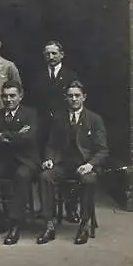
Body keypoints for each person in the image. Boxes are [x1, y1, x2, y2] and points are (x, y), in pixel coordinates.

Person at [37, 80, 108, 245]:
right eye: (70, 96)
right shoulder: (59, 119)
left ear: (84, 97)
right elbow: (51, 144)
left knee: (89, 179)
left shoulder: (94, 119)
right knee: (45, 177)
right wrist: (49, 159)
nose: (74, 99)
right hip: (63, 164)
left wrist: (90, 164)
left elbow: (103, 150)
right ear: (65, 98)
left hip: (85, 165)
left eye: (77, 95)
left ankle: (84, 224)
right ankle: (49, 224)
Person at [0, 80, 39, 245]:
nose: (8, 100)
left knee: (22, 176)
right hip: (2, 161)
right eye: (4, 96)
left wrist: (2, 136)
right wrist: (15, 134)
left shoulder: (30, 114)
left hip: (24, 161)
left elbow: (29, 138)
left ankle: (14, 223)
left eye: (12, 96)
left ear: (21, 96)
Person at [32, 41, 81, 223]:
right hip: (44, 128)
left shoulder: (70, 76)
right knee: (44, 166)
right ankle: (47, 209)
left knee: (67, 163)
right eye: (47, 54)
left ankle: (71, 208)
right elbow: (34, 102)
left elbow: (75, 103)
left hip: (64, 128)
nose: (51, 57)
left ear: (62, 54)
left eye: (54, 53)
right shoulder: (39, 77)